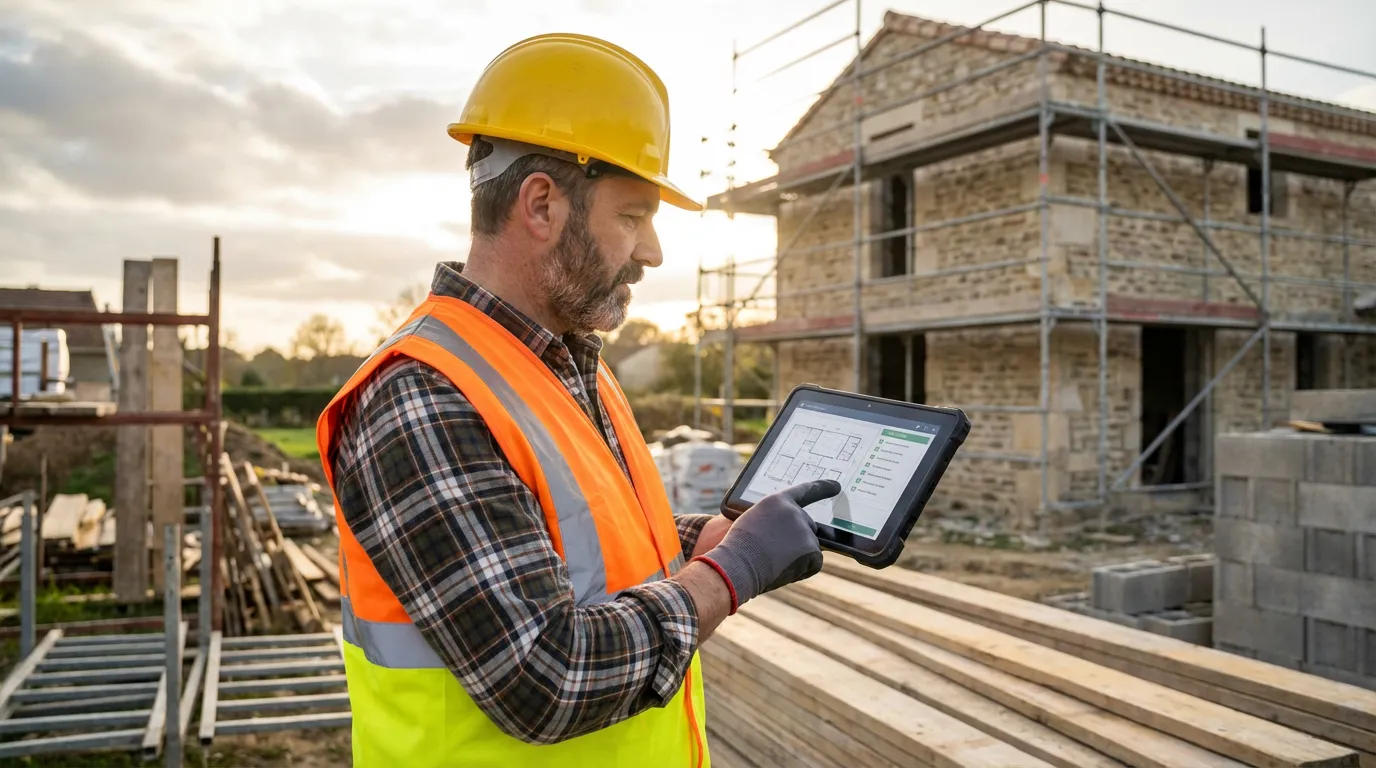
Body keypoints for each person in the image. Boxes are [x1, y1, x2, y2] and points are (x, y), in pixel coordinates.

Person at [315, 32, 839, 767]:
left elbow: (579, 541)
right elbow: (545, 674)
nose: (653, 252)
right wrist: (729, 575)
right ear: (541, 206)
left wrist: (698, 539)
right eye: (633, 216)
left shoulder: (570, 361)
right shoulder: (424, 394)